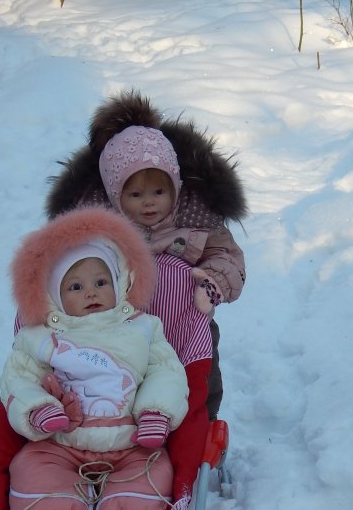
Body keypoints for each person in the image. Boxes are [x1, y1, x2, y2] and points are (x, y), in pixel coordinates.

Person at [0, 206, 189, 510]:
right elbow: (17, 378)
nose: (91, 292)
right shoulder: (40, 339)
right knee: (30, 467)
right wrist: (38, 409)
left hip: (131, 439)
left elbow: (166, 371)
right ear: (54, 296)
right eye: (75, 286)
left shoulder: (143, 328)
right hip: (60, 442)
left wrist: (155, 412)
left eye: (101, 282)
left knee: (155, 471)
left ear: (119, 283)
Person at [45, 89, 247, 419]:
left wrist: (214, 281)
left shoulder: (194, 218)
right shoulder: (100, 226)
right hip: (118, 330)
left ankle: (203, 427)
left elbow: (227, 255)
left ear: (175, 186)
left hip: (185, 324)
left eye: (158, 191)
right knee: (129, 379)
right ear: (114, 192)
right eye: (136, 194)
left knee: (201, 377)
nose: (149, 202)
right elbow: (68, 265)